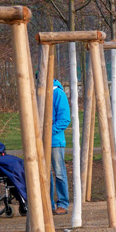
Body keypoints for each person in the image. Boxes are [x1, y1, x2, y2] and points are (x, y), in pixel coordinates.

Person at [49, 78, 71, 215]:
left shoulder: (57, 93)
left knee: (59, 172)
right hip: (40, 141)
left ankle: (62, 203)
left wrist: (47, 131)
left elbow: (64, 119)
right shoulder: (37, 94)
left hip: (55, 141)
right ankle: (48, 203)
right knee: (44, 175)